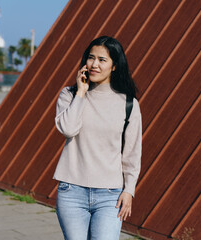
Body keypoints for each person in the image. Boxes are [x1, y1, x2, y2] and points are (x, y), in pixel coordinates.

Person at [53, 36, 142, 239]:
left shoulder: (129, 104)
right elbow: (68, 129)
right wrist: (81, 94)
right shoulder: (69, 95)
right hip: (71, 191)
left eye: (102, 60)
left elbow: (132, 153)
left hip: (110, 195)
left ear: (114, 66)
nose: (94, 64)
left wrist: (129, 189)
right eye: (91, 58)